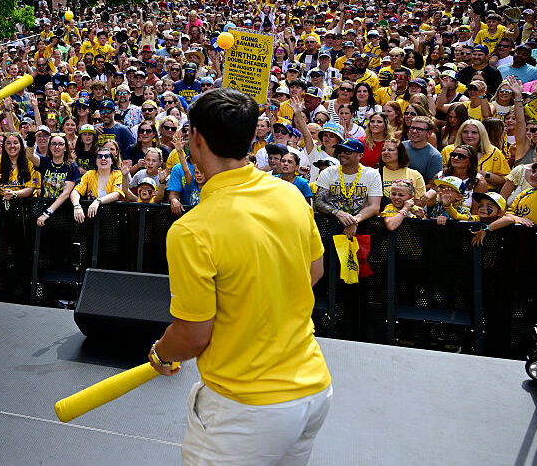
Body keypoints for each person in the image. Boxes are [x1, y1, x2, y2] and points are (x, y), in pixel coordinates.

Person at [147, 88, 330, 465]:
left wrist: (160, 353)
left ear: (195, 137)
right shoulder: (291, 196)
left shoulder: (191, 231)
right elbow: (314, 271)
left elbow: (193, 335)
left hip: (246, 408)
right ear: (251, 138)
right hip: (313, 391)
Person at [314, 138, 383, 238]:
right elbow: (319, 202)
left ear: (360, 155)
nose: (342, 154)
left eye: (348, 151)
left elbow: (374, 206)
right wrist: (337, 213)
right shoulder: (328, 172)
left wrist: (354, 221)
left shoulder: (372, 174)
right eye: (340, 150)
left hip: (362, 227)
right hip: (331, 227)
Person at [69, 148, 123, 223]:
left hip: (112, 219)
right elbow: (75, 191)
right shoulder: (89, 174)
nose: (103, 158)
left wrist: (97, 201)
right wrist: (77, 206)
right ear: (95, 161)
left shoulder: (118, 174)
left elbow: (116, 194)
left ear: (112, 161)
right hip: (92, 219)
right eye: (99, 156)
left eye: (106, 156)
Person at [402, 116, 444, 183]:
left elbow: (433, 184)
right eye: (412, 128)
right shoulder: (401, 147)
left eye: (419, 129)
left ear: (429, 133)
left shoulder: (435, 156)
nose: (414, 131)